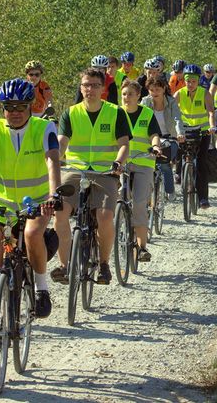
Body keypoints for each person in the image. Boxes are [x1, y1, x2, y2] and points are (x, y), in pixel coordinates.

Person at [0, 79, 61, 359]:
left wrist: (53, 194)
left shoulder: (43, 127)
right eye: (8, 107)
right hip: (0, 206)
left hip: (36, 202)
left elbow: (52, 160)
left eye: (20, 107)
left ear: (30, 107)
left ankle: (41, 288)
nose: (14, 112)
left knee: (31, 235)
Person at [51, 68, 131, 285]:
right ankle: (65, 265)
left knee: (105, 216)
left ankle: (104, 264)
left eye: (95, 85)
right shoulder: (70, 113)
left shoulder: (116, 112)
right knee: (59, 211)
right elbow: (62, 142)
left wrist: (118, 163)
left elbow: (124, 144)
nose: (90, 89)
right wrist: (55, 156)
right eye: (86, 85)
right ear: (81, 87)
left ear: (103, 88)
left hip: (105, 172)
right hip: (76, 170)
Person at [121, 79, 161, 261]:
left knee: (138, 203)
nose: (126, 97)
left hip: (143, 163)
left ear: (138, 96)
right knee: (116, 200)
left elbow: (154, 135)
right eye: (123, 94)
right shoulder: (115, 113)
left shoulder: (147, 113)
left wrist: (155, 147)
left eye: (130, 94)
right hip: (120, 163)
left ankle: (141, 246)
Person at [173, 64, 215, 209]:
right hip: (185, 131)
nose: (190, 84)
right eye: (188, 81)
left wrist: (211, 126)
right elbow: (171, 111)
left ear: (198, 81)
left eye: (193, 81)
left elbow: (210, 112)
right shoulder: (179, 93)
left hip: (203, 132)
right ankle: (178, 173)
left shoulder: (205, 93)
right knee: (178, 150)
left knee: (202, 163)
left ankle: (203, 198)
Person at [141, 77, 183, 201]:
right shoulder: (145, 102)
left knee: (164, 164)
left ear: (164, 89)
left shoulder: (171, 102)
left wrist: (180, 133)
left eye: (157, 89)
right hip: (150, 138)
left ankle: (170, 191)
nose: (154, 93)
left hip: (169, 138)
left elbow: (177, 119)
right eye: (151, 90)